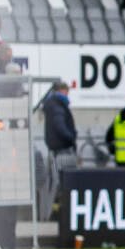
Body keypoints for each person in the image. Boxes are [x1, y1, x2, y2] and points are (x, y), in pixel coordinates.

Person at [41, 78, 78, 213]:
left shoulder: (51, 105)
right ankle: (62, 210)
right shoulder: (58, 106)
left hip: (55, 149)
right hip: (62, 149)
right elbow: (60, 126)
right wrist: (71, 138)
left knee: (55, 181)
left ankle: (53, 210)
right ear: (62, 91)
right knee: (63, 182)